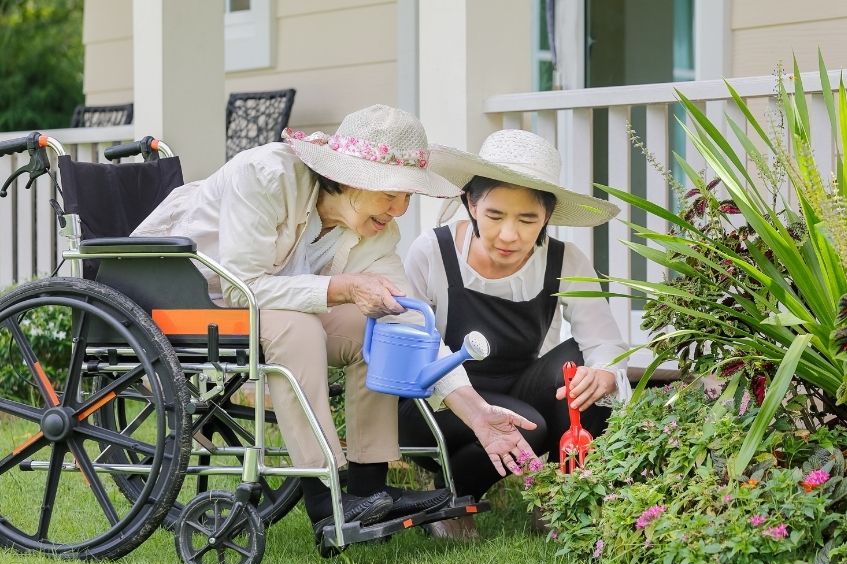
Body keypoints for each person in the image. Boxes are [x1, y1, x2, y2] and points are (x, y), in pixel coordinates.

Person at [131, 105, 538, 540]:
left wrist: (475, 411)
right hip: (185, 298)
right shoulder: (266, 175)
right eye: (392, 194)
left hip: (267, 309)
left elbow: (411, 322)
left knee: (383, 329)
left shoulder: (376, 231)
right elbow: (241, 286)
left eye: (407, 197)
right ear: (350, 178)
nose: (400, 209)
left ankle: (368, 488)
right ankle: (326, 497)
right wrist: (341, 288)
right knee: (300, 325)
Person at [400, 129, 630, 536]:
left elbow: (603, 341)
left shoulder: (564, 259)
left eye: (527, 220)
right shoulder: (432, 251)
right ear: (471, 203)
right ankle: (453, 498)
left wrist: (605, 374)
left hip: (517, 388)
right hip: (436, 403)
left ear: (547, 216)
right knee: (530, 425)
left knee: (581, 368)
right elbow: (413, 346)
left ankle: (564, 501)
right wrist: (470, 404)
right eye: (494, 216)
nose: (510, 234)